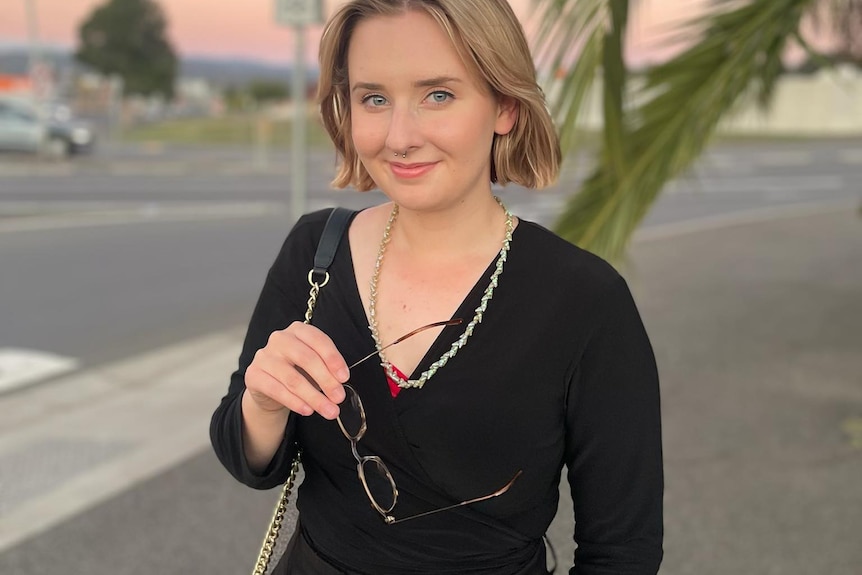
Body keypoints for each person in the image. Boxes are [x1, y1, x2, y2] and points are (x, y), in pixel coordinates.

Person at [210, 0, 663, 573]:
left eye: (438, 95)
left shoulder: (586, 302)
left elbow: (623, 551)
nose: (400, 136)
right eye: (374, 99)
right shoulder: (314, 251)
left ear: (505, 105)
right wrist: (264, 403)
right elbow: (246, 455)